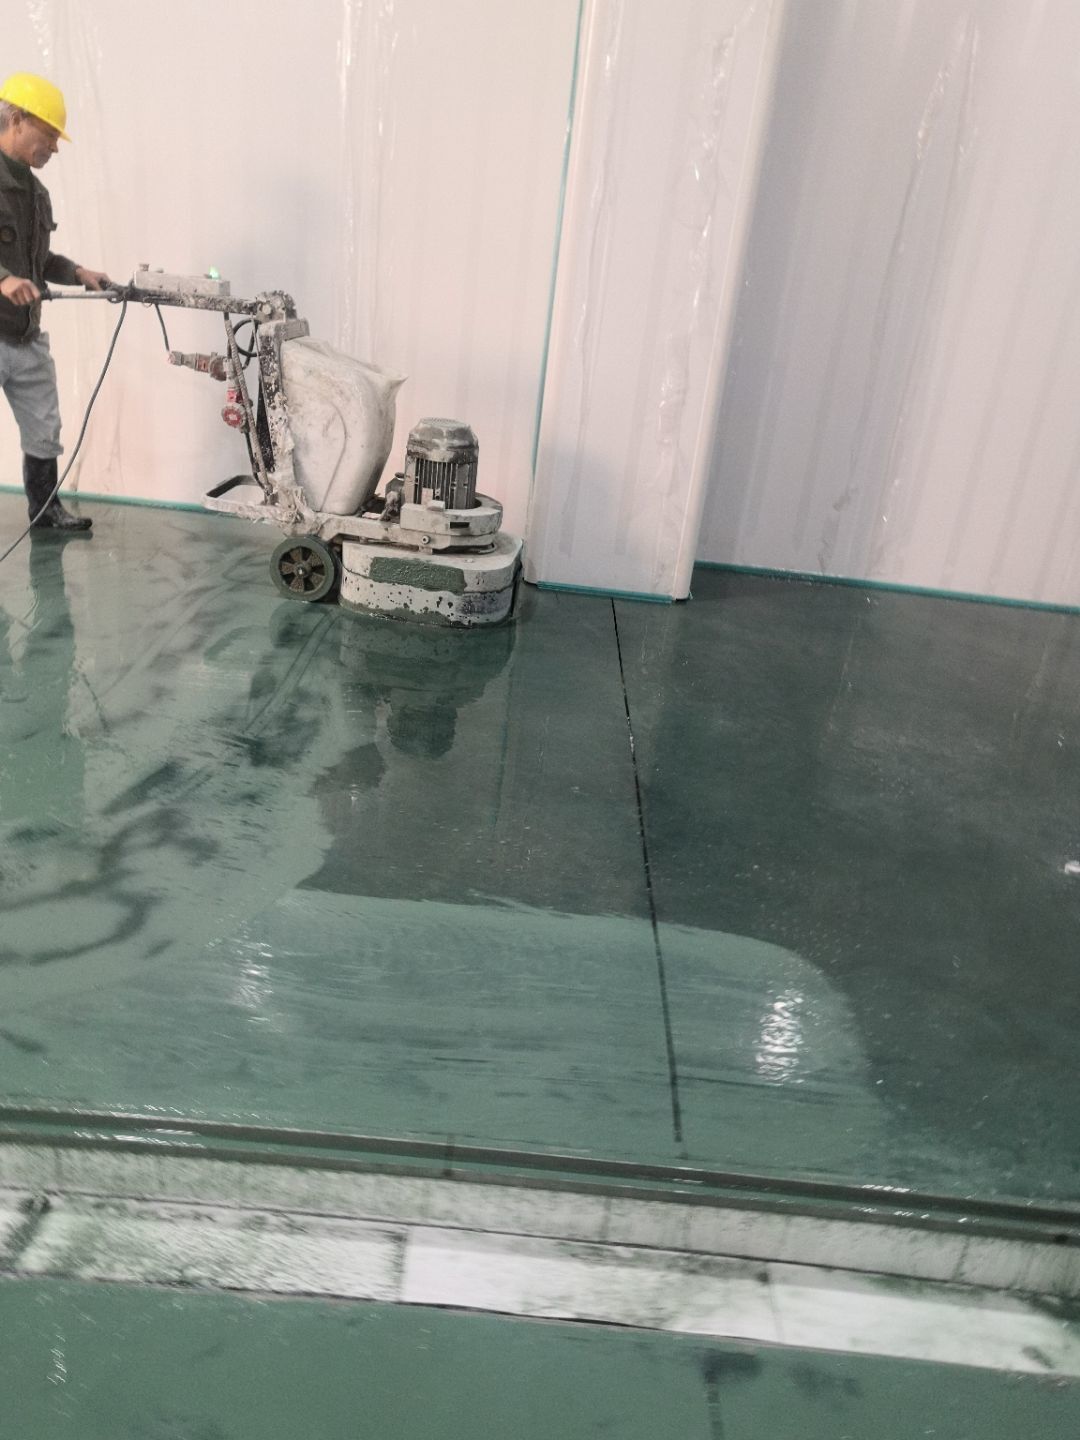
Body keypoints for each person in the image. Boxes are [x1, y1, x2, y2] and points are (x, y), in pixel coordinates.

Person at [0, 72, 109, 533]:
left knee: (45, 429)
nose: (54, 148)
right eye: (49, 135)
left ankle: (45, 511)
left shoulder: (36, 193)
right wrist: (3, 279)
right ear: (17, 121)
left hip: (25, 335)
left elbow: (38, 260)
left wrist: (78, 273)